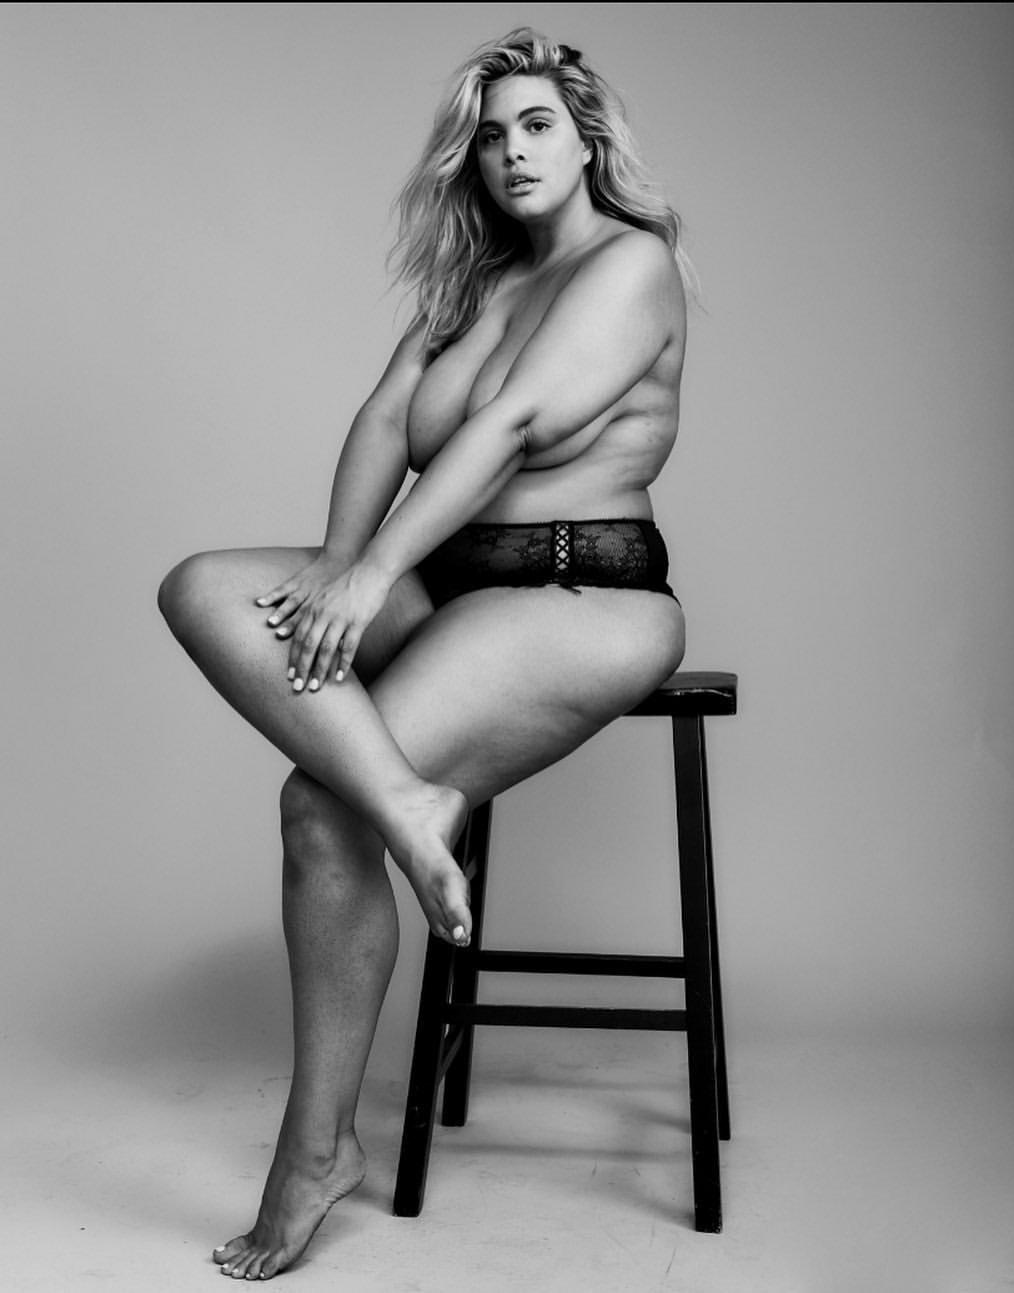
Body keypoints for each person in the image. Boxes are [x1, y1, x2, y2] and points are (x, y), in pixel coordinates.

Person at [158, 26, 695, 1282]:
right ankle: (409, 805)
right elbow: (386, 419)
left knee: (315, 807)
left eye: (537, 127)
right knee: (201, 588)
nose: (512, 153)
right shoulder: (476, 283)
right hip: (446, 579)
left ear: (586, 140)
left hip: (577, 588)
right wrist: (344, 562)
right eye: (492, 136)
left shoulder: (631, 264)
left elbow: (511, 426)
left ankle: (313, 1152)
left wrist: (368, 578)